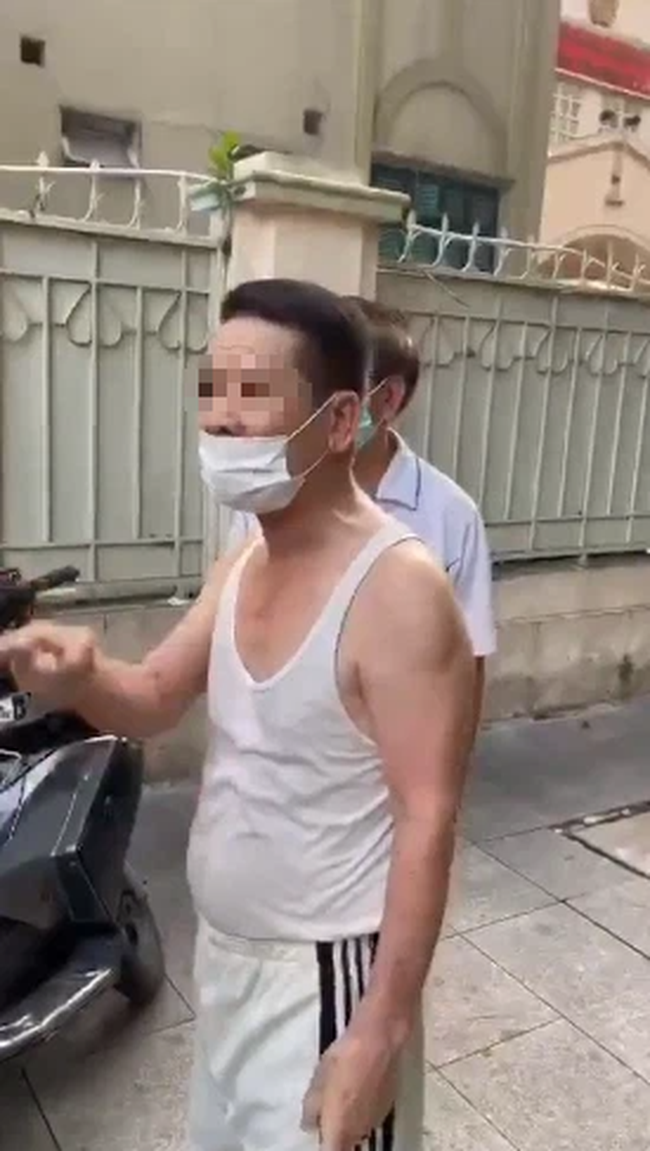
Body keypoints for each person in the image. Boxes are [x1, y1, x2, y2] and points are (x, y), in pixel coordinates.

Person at [0, 279, 475, 1151]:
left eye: (252, 392)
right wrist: (81, 675)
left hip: (326, 979)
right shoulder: (246, 555)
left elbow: (428, 815)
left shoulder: (399, 591)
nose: (220, 418)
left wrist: (380, 1028)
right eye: (210, 390)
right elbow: (152, 697)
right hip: (225, 963)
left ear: (339, 420)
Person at [227, 296, 495, 738]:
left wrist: (449, 776)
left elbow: (468, 667)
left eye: (323, 388)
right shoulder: (267, 497)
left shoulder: (449, 516)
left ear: (386, 399)